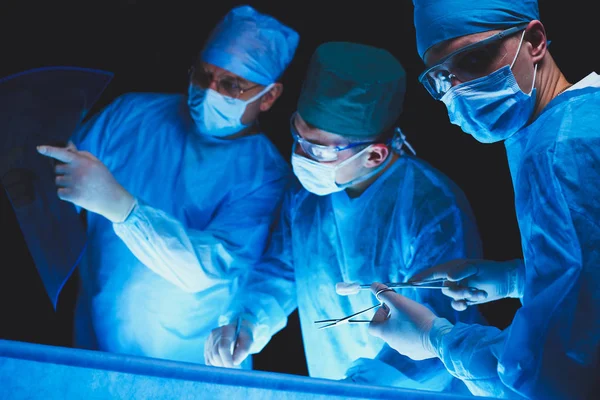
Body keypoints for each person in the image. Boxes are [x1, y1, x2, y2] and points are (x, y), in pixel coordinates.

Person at [204, 41, 485, 392]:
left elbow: (437, 329)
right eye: (299, 136)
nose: (301, 156)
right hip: (330, 383)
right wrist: (247, 321)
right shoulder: (307, 195)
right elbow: (282, 268)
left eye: (318, 149)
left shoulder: (432, 208)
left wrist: (363, 386)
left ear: (375, 155)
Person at [35, 5, 299, 367]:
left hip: (194, 368)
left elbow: (203, 271)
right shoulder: (131, 115)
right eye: (203, 74)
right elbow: (53, 188)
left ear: (268, 96)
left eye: (230, 85)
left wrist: (122, 208)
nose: (209, 91)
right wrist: (36, 174)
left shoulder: (265, 175)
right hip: (96, 347)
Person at [367, 0, 600, 398]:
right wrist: (516, 278)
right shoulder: (581, 118)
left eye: (474, 59)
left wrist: (436, 339)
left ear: (536, 41)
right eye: (442, 76)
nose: (459, 89)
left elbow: (556, 374)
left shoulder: (560, 152)